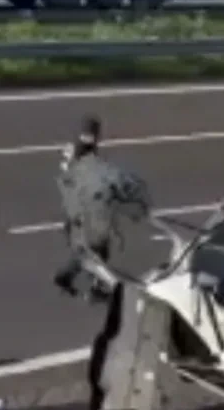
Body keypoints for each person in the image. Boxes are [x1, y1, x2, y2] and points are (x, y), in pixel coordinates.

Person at [52, 115, 151, 299]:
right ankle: (90, 285)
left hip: (75, 205)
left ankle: (72, 278)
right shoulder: (86, 153)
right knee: (96, 247)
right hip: (88, 207)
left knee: (86, 248)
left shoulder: (73, 150)